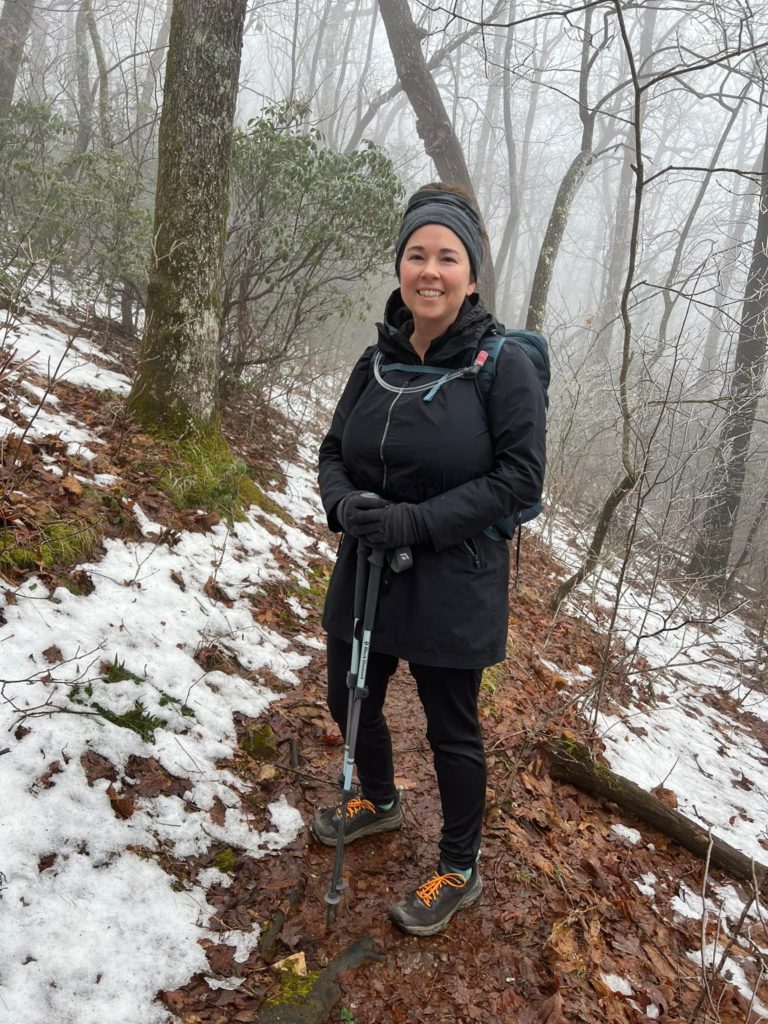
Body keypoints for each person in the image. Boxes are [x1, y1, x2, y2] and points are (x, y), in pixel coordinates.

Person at [313, 183, 547, 936]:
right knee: (347, 694)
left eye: (448, 257)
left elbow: (519, 478)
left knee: (451, 727)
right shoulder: (373, 361)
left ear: (471, 276)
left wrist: (415, 521)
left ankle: (459, 864)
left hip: (454, 573)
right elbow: (331, 451)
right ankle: (378, 798)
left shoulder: (500, 366)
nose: (430, 270)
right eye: (418, 254)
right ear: (400, 268)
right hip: (368, 561)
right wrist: (344, 504)